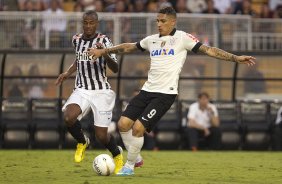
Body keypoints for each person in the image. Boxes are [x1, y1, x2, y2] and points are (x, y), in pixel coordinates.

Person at [87, 6, 256, 176]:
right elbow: (129, 47)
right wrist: (104, 51)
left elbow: (209, 50)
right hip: (147, 90)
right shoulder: (151, 40)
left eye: (163, 21)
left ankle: (129, 166)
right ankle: (137, 157)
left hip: (165, 94)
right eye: (157, 21)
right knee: (123, 124)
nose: (159, 24)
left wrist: (236, 58)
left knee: (138, 128)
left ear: (173, 21)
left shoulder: (183, 38)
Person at [55, 10, 123, 174]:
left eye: (91, 23)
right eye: (85, 22)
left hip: (101, 91)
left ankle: (117, 154)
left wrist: (104, 53)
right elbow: (78, 60)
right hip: (82, 89)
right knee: (68, 117)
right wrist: (67, 73)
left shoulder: (104, 40)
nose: (88, 26)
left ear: (96, 24)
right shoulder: (76, 39)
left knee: (101, 136)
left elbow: (115, 68)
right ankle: (82, 141)